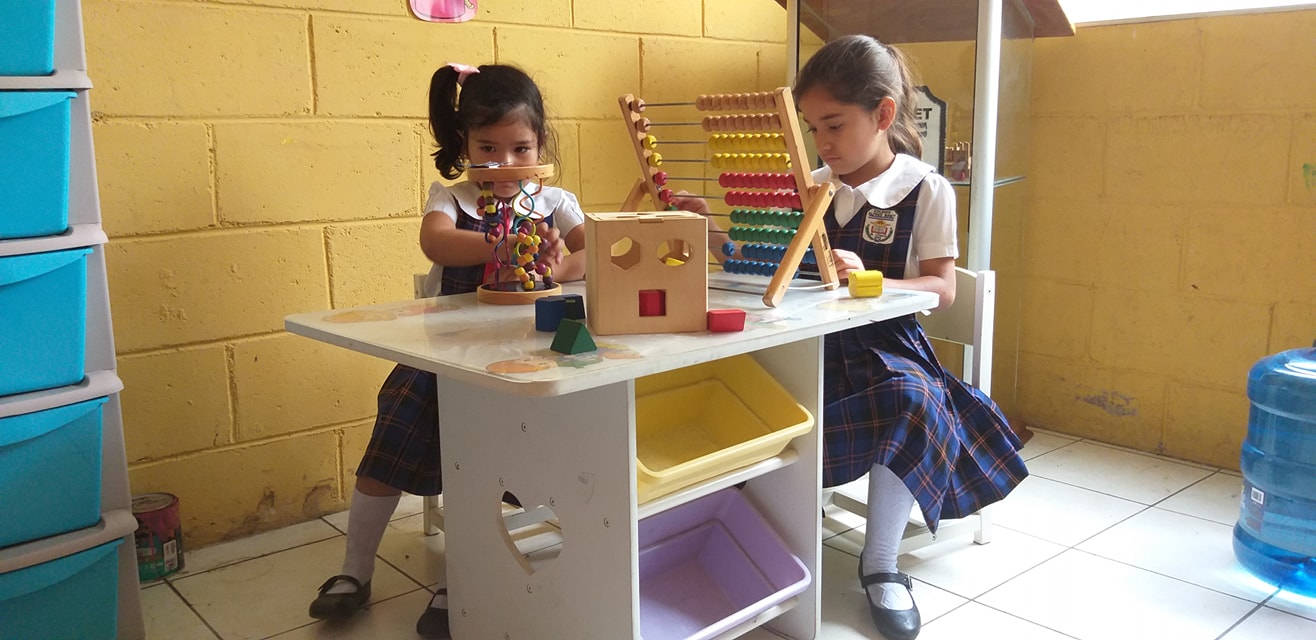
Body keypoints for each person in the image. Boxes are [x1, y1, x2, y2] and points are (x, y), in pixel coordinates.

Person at [682, 35, 1027, 640]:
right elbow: (763, 263)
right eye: (813, 128)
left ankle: (881, 562)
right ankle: (748, 532)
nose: (823, 142)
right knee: (731, 390)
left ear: (883, 114)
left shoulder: (923, 189)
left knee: (912, 401)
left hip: (883, 350)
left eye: (835, 125)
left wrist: (869, 277)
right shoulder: (810, 185)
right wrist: (709, 228)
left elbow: (942, 288)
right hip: (805, 344)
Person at [307, 62, 586, 640]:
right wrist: (499, 244)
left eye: (520, 148)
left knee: (497, 461)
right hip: (444, 362)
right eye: (487, 148)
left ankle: (459, 577)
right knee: (390, 438)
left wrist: (560, 264)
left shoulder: (556, 202)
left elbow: (593, 252)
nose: (504, 164)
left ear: (540, 144)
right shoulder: (455, 199)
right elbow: (434, 240)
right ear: (464, 144)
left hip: (523, 361)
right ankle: (355, 570)